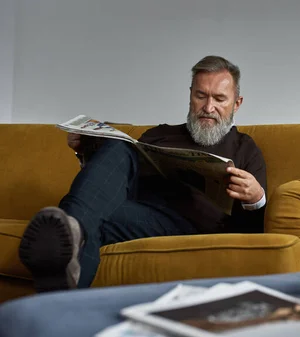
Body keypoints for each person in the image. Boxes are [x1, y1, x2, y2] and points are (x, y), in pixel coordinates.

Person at [18, 55, 267, 292]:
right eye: (200, 95)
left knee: (77, 214)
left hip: (191, 227)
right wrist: (86, 151)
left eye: (219, 99)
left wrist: (255, 198)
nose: (208, 107)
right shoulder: (159, 134)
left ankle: (68, 228)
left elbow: (255, 232)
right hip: (135, 211)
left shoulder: (245, 149)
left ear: (237, 103)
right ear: (190, 95)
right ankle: (65, 274)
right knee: (115, 155)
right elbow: (115, 180)